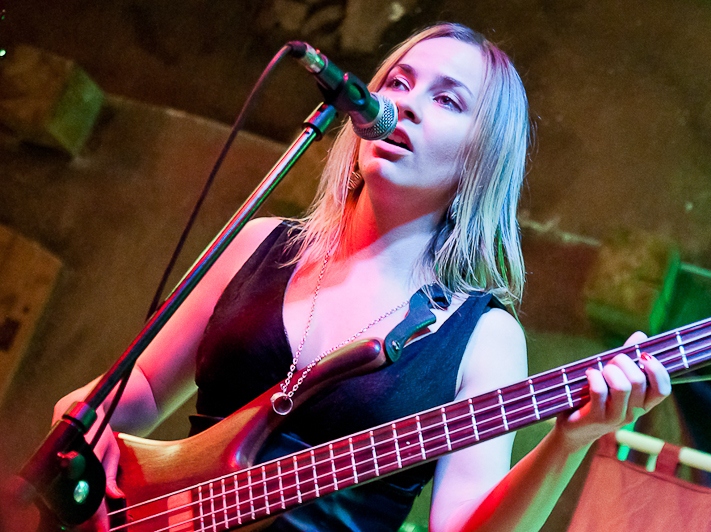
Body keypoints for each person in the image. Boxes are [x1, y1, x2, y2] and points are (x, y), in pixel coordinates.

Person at [53, 22, 671, 531]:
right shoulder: (259, 242)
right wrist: (86, 416)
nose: (403, 103)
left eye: (447, 99)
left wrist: (570, 441)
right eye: (398, 82)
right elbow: (143, 390)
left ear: (482, 157)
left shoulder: (481, 335)